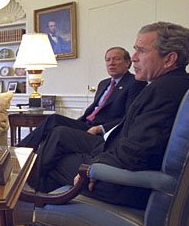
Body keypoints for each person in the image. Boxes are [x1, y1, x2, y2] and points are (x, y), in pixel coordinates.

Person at [27, 21, 189, 210]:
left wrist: (94, 166)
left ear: (169, 59)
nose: (133, 58)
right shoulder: (185, 84)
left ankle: (31, 206)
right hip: (119, 155)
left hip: (128, 184)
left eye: (141, 51)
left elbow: (136, 154)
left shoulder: (163, 91)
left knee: (53, 161)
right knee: (60, 134)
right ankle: (37, 207)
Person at [18, 47, 147, 150]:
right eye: (108, 60)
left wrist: (101, 128)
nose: (111, 63)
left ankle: (21, 151)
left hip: (100, 130)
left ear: (127, 63)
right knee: (53, 121)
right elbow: (93, 110)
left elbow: (129, 117)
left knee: (55, 122)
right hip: (85, 124)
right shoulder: (104, 83)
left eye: (116, 59)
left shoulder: (135, 83)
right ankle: (25, 153)